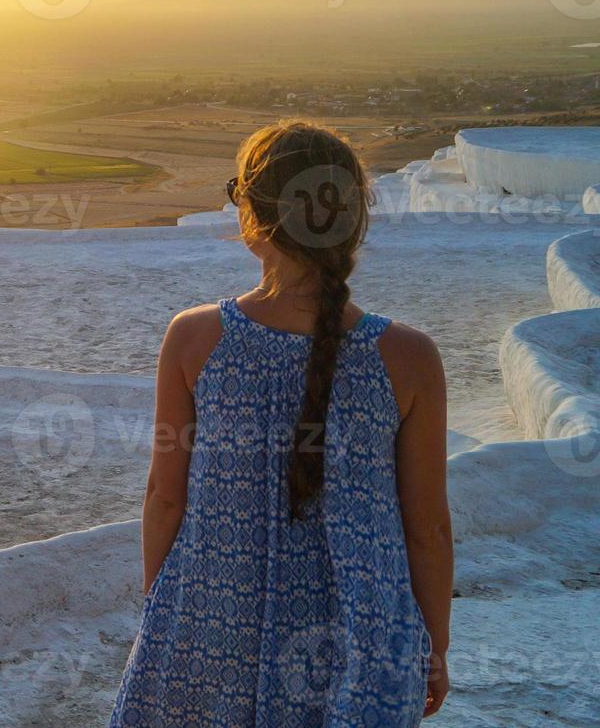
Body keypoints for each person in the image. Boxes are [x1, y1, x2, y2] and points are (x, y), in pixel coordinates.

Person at [109, 121, 454, 725]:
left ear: (253, 221)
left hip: (211, 619)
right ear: (352, 222)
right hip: (359, 636)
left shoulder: (194, 339)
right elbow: (426, 526)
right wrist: (435, 648)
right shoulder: (409, 358)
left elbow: (165, 497)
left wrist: (163, 613)